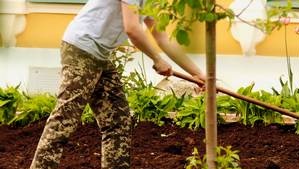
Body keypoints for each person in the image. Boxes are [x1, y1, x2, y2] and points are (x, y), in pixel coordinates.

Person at [29, 0, 205, 168]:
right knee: (64, 119)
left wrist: (197, 73)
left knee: (117, 121)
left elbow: (162, 37)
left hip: (100, 54)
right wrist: (157, 59)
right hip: (81, 49)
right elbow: (132, 29)